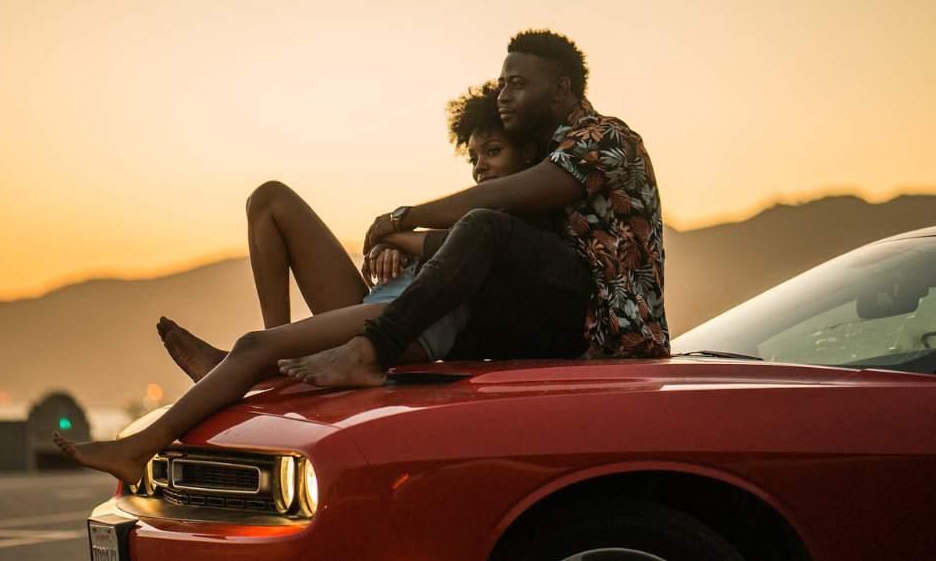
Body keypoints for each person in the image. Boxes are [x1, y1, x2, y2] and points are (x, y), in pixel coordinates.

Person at [54, 81, 542, 484]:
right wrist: (394, 248)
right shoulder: (466, 215)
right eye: (475, 156)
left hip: (409, 326)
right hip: (377, 301)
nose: (481, 167)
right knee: (269, 200)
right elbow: (434, 245)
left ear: (528, 156)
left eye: (494, 152)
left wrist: (404, 238)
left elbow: (474, 252)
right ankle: (261, 364)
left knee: (254, 345)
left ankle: (140, 447)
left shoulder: (520, 219)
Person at [279, 29, 668, 389]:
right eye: (501, 85)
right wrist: (402, 244)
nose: (503, 96)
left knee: (486, 225)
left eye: (517, 85)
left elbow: (502, 200)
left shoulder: (605, 136)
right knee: (462, 295)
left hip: (619, 334)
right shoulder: (545, 153)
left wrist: (404, 218)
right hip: (557, 323)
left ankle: (367, 350)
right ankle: (295, 358)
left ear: (559, 89)